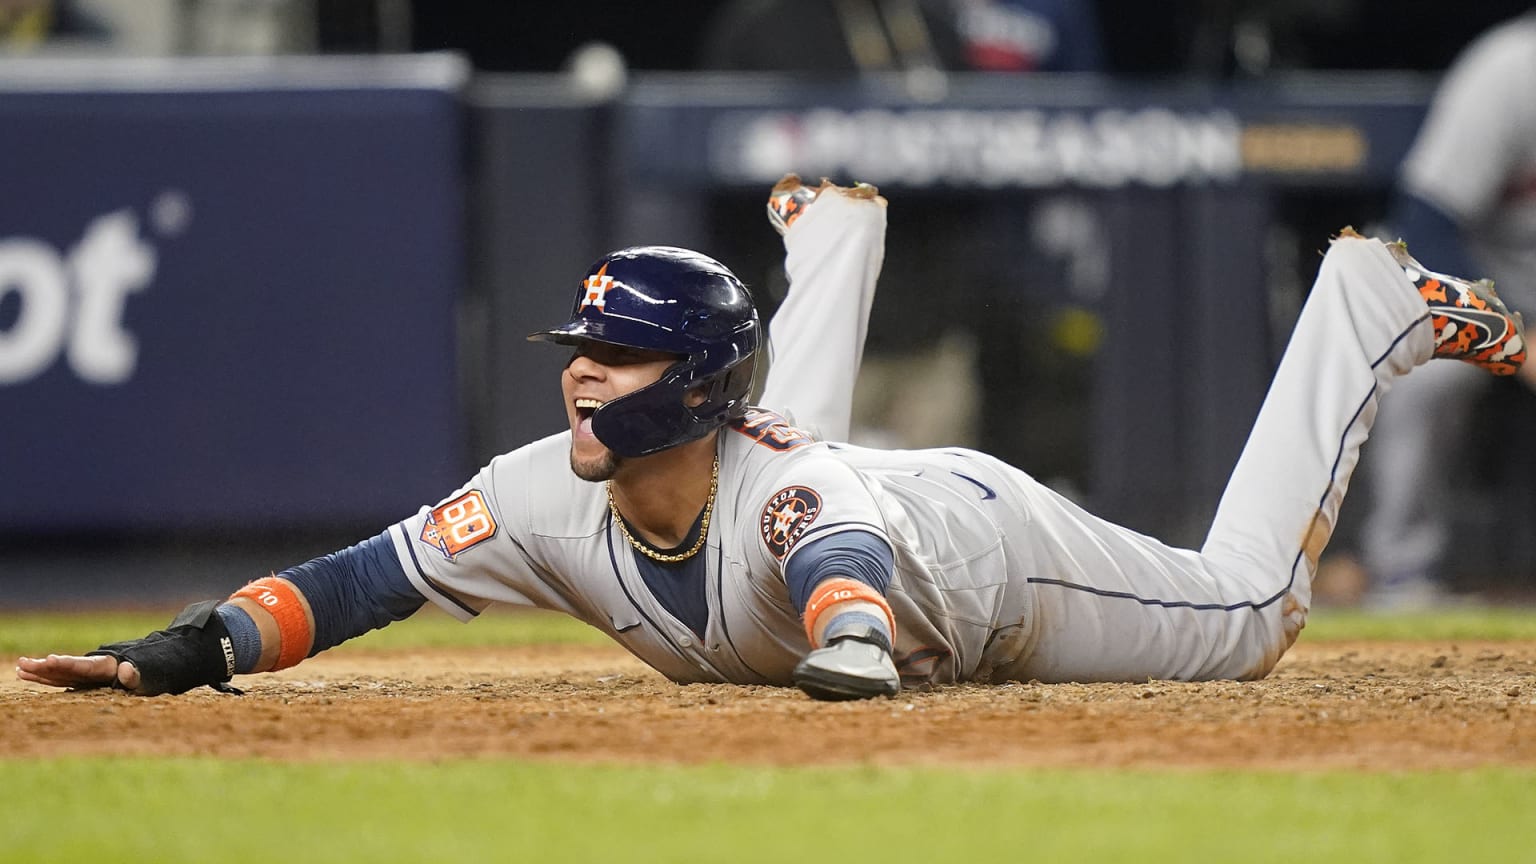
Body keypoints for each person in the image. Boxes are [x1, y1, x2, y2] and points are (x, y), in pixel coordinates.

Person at [16, 176, 1526, 700]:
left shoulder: (788, 492)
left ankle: (1364, 302)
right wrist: (194, 647)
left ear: (682, 380)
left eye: (615, 358)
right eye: (580, 353)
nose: (580, 380)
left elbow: (841, 567)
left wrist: (857, 647)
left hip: (980, 559)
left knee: (1253, 614)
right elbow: (373, 577)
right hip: (828, 488)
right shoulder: (547, 494)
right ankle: (840, 242)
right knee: (770, 454)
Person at [1356, 10, 1536, 608]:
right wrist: (1514, 336)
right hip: (1468, 287)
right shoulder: (1511, 69)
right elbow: (1426, 229)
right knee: (1432, 374)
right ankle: (1402, 573)